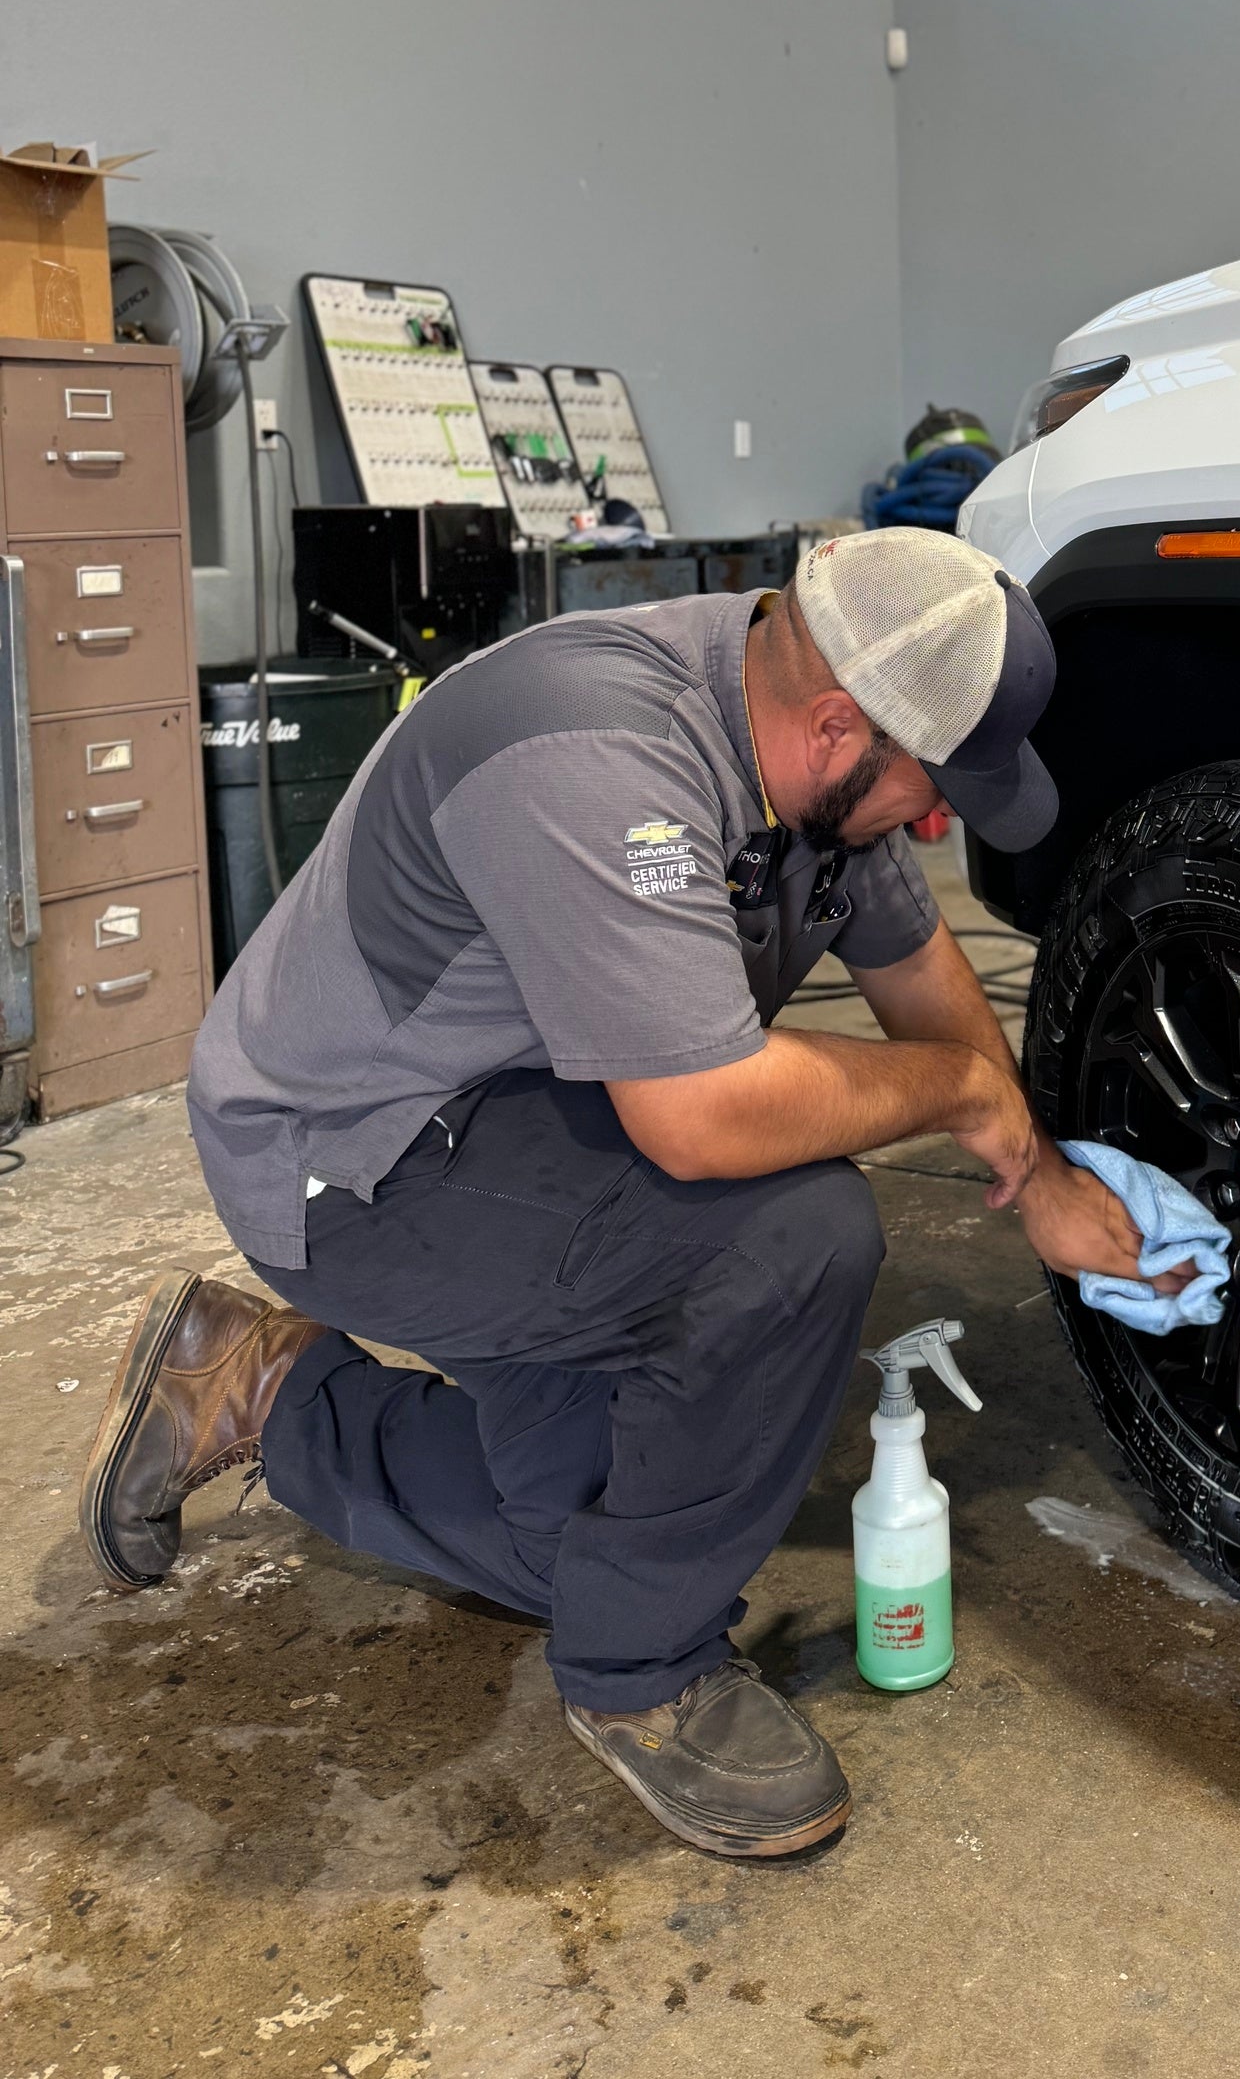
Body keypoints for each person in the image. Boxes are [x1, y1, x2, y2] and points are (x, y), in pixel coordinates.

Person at [79, 528, 1176, 1859]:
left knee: (603, 1535)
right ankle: (640, 1678)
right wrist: (953, 1097)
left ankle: (250, 1380)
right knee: (792, 1231)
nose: (939, 823)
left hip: (534, 1133)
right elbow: (702, 1122)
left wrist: (1038, 1168)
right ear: (841, 726)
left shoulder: (806, 744)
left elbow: (916, 961)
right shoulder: (592, 751)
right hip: (352, 1160)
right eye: (933, 788)